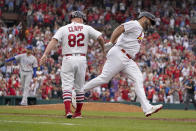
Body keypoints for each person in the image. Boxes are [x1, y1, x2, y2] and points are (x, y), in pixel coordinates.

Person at [83, 11, 163, 117]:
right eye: (150, 21)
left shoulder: (141, 31)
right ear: (144, 18)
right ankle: (79, 92)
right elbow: (120, 28)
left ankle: (147, 108)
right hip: (119, 54)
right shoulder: (135, 24)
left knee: (138, 78)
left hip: (127, 59)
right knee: (104, 79)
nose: (151, 24)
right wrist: (111, 42)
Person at [40, 11, 105, 119]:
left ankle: (68, 111)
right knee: (80, 87)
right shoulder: (86, 28)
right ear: (79, 18)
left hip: (68, 58)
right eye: (83, 19)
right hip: (81, 58)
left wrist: (45, 54)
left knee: (67, 86)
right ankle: (78, 113)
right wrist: (103, 49)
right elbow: (100, 38)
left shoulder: (64, 28)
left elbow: (54, 41)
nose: (83, 21)